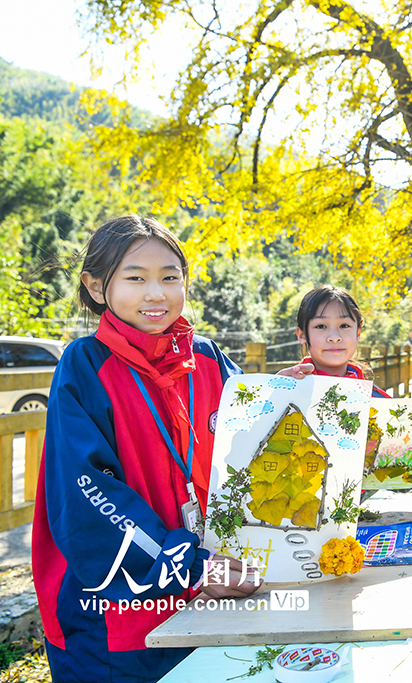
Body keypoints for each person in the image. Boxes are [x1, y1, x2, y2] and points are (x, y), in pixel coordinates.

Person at [32, 216, 261, 683]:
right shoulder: (85, 367)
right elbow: (88, 497)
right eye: (135, 278)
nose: (156, 294)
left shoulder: (210, 359)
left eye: (170, 277)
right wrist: (195, 568)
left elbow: (265, 443)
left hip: (218, 590)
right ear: (96, 287)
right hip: (120, 616)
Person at [278, 285, 412, 483]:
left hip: (357, 512)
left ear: (358, 332)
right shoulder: (287, 389)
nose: (334, 336)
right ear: (302, 335)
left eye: (344, 326)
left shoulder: (378, 401)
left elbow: (399, 479)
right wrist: (273, 396)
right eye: (320, 326)